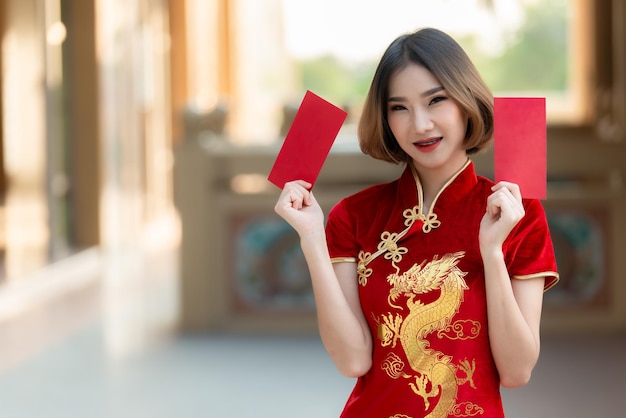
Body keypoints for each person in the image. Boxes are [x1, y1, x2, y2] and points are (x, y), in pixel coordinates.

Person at [274, 27, 559, 418]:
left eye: (436, 100)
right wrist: (310, 238)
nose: (420, 124)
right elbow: (352, 361)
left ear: (466, 100)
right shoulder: (354, 216)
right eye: (399, 107)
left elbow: (516, 370)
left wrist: (492, 251)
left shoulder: (517, 215)